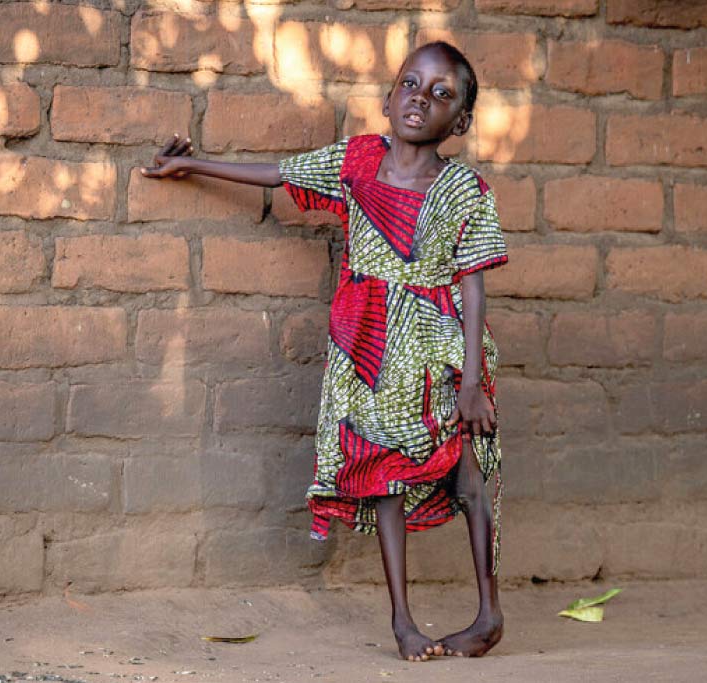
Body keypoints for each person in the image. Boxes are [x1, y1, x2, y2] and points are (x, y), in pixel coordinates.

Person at [141, 41, 507, 661]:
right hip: (368, 347)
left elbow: (473, 286)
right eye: (410, 84)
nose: (421, 98)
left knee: (467, 473)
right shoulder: (358, 160)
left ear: (461, 122)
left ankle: (489, 614)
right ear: (389, 98)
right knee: (383, 472)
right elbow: (278, 173)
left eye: (442, 93)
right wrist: (193, 164)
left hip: (440, 353)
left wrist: (470, 380)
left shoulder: (464, 190)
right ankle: (402, 622)